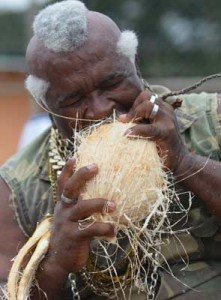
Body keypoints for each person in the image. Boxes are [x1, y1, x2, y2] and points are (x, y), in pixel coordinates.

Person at [1, 1, 221, 299]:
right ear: (46, 107)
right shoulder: (16, 189)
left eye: (113, 82)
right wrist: (55, 263)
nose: (101, 109)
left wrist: (184, 162)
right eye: (73, 99)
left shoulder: (211, 119)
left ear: (134, 64)